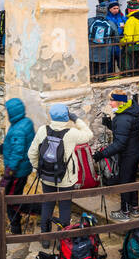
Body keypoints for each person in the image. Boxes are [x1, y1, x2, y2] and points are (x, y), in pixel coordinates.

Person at [28, 104, 93, 242]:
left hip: (46, 176)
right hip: (66, 178)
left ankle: (45, 238)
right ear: (66, 117)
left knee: (47, 204)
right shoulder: (72, 133)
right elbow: (89, 135)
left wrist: (38, 168)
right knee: (65, 206)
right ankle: (63, 239)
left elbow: (32, 152)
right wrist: (76, 119)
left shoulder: (42, 130)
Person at [95, 90, 139, 221]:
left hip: (129, 153)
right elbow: (125, 132)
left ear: (119, 101)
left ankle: (125, 212)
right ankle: (135, 209)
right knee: (131, 180)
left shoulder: (123, 117)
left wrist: (101, 155)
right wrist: (110, 124)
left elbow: (120, 144)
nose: (110, 104)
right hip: (135, 150)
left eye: (111, 100)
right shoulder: (129, 111)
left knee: (125, 181)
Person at [0, 99, 34, 248]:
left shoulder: (18, 128)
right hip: (23, 169)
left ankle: (16, 229)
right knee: (14, 197)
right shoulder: (26, 122)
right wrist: (4, 147)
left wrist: (9, 172)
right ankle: (17, 225)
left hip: (17, 172)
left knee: (9, 200)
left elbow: (18, 152)